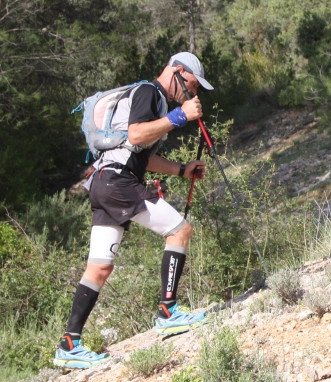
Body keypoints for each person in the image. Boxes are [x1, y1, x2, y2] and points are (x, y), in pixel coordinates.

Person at [54, 52, 213, 369]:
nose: (192, 93)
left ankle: (69, 343)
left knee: (99, 267)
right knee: (180, 230)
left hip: (104, 183)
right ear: (178, 73)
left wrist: (182, 169)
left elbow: (141, 154)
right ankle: (168, 312)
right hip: (118, 183)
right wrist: (181, 115)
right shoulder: (149, 93)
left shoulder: (154, 102)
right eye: (192, 86)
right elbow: (137, 134)